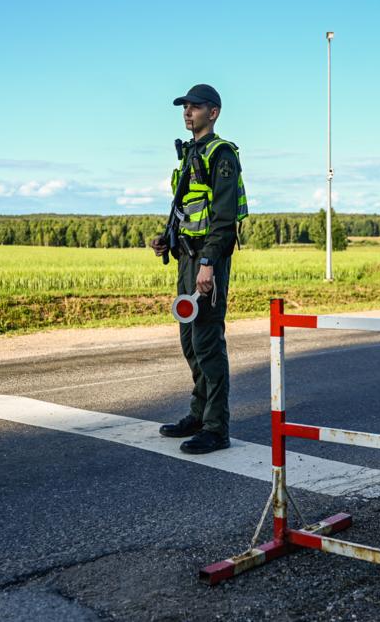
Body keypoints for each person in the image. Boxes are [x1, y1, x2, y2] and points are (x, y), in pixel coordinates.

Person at [150, 84, 248, 454]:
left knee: (207, 342)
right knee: (190, 341)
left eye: (195, 107)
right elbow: (187, 208)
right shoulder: (192, 153)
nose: (188, 112)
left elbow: (223, 219)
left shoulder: (221, 154)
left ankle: (215, 427)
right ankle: (198, 413)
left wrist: (207, 263)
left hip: (208, 261)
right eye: (185, 107)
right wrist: (167, 239)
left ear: (214, 112)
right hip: (187, 257)